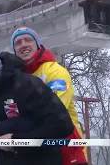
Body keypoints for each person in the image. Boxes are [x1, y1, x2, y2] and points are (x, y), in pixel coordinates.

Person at [11, 26, 88, 165]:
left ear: (37, 44)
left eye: (28, 40)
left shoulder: (55, 71)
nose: (23, 45)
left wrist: (14, 136)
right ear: (14, 50)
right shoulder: (15, 78)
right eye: (18, 43)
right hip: (36, 150)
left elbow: (55, 112)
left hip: (67, 148)